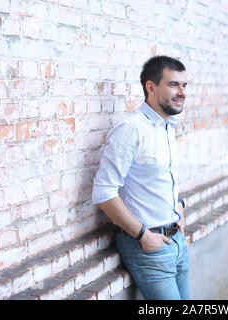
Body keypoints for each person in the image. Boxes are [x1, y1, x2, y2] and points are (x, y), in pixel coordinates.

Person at [92, 55, 189, 300]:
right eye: (174, 85)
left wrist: (179, 206)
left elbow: (160, 179)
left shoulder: (168, 126)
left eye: (184, 85)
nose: (182, 92)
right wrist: (143, 236)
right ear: (151, 87)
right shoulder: (132, 130)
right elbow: (104, 192)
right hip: (148, 247)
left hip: (177, 242)